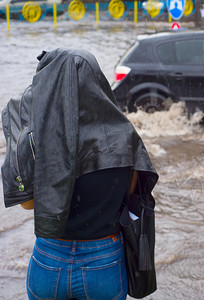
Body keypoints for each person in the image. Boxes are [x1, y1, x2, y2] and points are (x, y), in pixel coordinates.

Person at [2, 48, 158, 299]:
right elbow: (130, 196)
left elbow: (28, 204)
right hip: (103, 261)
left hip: (49, 260)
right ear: (97, 80)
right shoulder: (124, 135)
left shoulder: (38, 138)